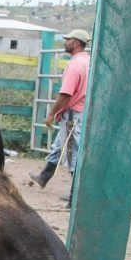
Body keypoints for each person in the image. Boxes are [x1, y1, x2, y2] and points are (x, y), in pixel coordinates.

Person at [29, 29, 91, 189]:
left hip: (73, 113)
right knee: (59, 144)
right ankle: (44, 176)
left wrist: (51, 114)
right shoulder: (88, 61)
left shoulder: (74, 65)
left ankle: (75, 195)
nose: (66, 42)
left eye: (68, 39)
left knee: (73, 152)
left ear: (76, 43)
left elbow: (65, 94)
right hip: (83, 110)